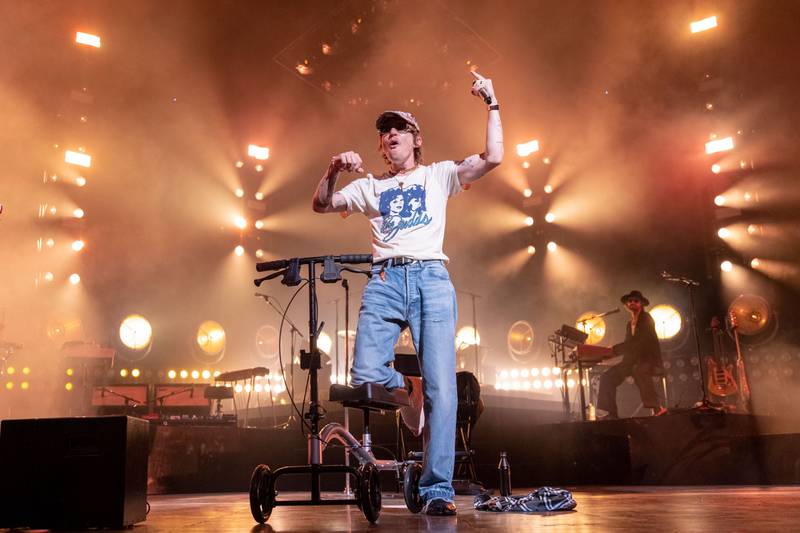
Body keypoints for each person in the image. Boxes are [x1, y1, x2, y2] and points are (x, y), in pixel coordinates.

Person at [312, 72, 503, 516]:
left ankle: (438, 489)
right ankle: (409, 390)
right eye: (384, 130)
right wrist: (332, 169)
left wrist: (492, 102)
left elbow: (493, 156)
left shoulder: (438, 176)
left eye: (399, 127)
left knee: (444, 390)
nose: (390, 133)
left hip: (431, 279)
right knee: (364, 376)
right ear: (381, 146)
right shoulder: (369, 187)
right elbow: (321, 205)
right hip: (384, 282)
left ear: (416, 139)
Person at [597, 290, 667, 419]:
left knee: (639, 370)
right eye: (630, 301)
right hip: (632, 360)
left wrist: (614, 350)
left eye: (636, 300)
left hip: (647, 358)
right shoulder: (629, 324)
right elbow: (628, 344)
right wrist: (610, 355)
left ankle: (657, 408)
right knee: (607, 377)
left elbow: (639, 342)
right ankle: (610, 413)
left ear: (641, 304)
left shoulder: (646, 318)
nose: (633, 303)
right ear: (627, 305)